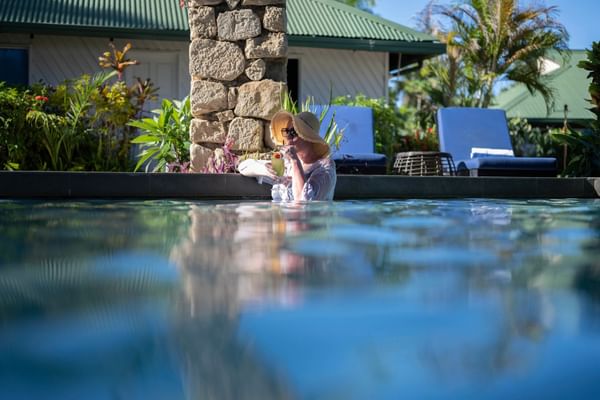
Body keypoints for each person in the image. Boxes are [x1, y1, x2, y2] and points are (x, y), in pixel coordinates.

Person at [268, 111, 337, 202]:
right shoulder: (287, 163)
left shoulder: (324, 167)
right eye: (286, 132)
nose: (288, 138)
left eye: (293, 132)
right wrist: (266, 171)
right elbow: (244, 167)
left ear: (308, 138)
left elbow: (303, 201)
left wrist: (295, 161)